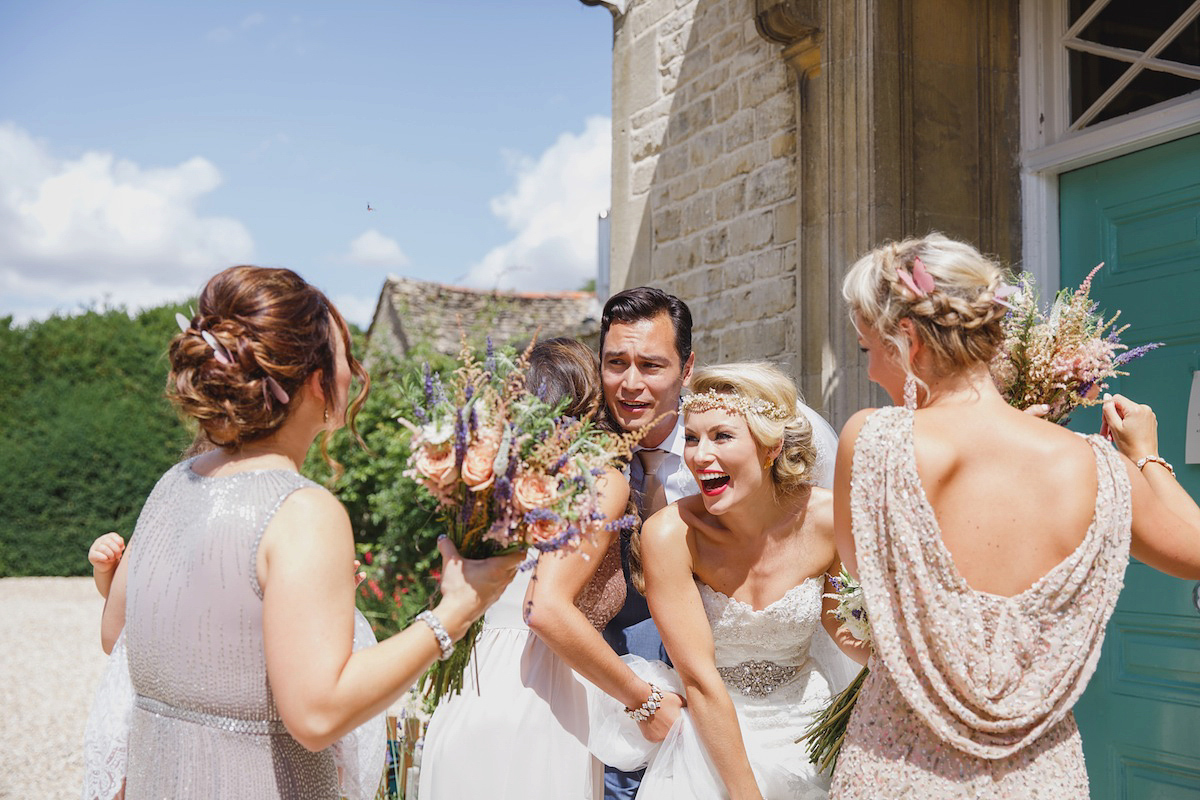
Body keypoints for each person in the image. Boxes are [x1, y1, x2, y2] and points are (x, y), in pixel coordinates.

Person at [97, 266, 520, 799]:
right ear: (318, 378)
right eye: (346, 356)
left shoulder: (172, 484)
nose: (355, 372)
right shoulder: (302, 511)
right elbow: (318, 714)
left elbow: (119, 638)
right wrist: (454, 611)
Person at [830, 234, 1200, 797]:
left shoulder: (874, 440)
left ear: (908, 339)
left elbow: (866, 572)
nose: (873, 370)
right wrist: (1144, 456)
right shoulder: (1094, 467)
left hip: (897, 764)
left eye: (867, 350)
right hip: (1038, 775)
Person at [598, 288, 841, 799]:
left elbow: (851, 631)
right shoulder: (584, 454)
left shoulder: (824, 517)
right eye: (616, 363)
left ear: (685, 369)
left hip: (807, 729)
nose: (700, 455)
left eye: (651, 364)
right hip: (657, 708)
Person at [418, 337, 684, 800]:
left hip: (465, 696)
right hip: (540, 703)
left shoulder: (483, 482)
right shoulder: (597, 479)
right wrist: (647, 701)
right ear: (588, 399)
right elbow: (543, 608)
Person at [82, 532, 382, 800]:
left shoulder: (165, 522)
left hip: (236, 743)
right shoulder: (295, 522)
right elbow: (116, 635)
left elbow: (115, 635)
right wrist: (106, 572)